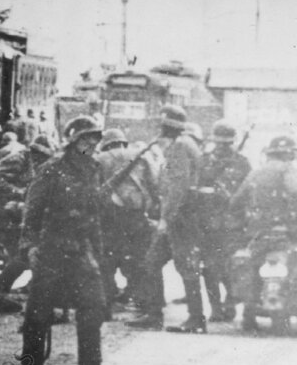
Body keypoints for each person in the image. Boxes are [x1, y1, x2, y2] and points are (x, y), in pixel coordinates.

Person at [17, 116, 125, 365]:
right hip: (50, 248)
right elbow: (32, 211)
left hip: (81, 248)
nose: (91, 143)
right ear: (73, 140)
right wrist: (30, 246)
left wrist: (98, 251)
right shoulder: (52, 168)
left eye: (94, 139)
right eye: (85, 138)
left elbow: (94, 214)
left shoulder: (93, 169)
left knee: (94, 304)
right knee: (39, 312)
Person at [126, 106, 206, 333]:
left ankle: (195, 319)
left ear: (167, 126)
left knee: (184, 266)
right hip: (180, 216)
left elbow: (178, 188)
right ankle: (154, 315)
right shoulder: (185, 144)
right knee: (152, 262)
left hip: (179, 218)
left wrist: (166, 219)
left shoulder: (179, 146)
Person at [229, 135, 297, 331]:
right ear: (289, 154)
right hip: (286, 232)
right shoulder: (289, 171)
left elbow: (236, 201)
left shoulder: (255, 173)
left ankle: (249, 315)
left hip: (257, 233)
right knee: (291, 268)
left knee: (253, 268)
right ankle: (282, 314)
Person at [0, 135, 54, 313]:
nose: (40, 158)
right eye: (38, 154)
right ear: (33, 151)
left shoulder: (40, 165)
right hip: (0, 208)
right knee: (22, 253)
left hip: (18, 209)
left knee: (23, 253)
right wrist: (19, 193)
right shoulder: (18, 159)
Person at [95, 128, 161, 309]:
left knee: (107, 257)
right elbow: (155, 184)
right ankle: (140, 298)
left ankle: (107, 298)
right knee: (137, 256)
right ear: (123, 142)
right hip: (136, 214)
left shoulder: (99, 159)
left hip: (109, 215)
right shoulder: (140, 155)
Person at [193, 120, 251, 321]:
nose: (223, 147)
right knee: (209, 268)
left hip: (233, 225)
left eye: (227, 143)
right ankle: (216, 308)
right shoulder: (203, 161)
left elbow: (248, 194)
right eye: (220, 143)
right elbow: (195, 190)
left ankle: (230, 302)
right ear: (213, 141)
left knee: (232, 267)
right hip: (208, 223)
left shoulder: (242, 162)